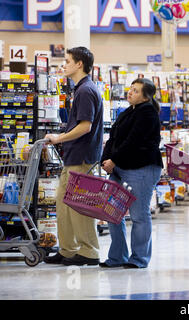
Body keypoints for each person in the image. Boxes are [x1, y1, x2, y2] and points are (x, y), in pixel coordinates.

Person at [44, 47, 103, 266]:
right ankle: (68, 249)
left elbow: (85, 127)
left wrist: (59, 138)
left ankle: (89, 251)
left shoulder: (86, 90)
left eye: (68, 61)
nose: (64, 65)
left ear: (79, 64)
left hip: (82, 157)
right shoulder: (80, 89)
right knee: (64, 205)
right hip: (74, 157)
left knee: (79, 207)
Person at [100, 78, 163, 268]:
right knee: (112, 212)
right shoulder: (129, 111)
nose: (130, 92)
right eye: (131, 89)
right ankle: (118, 256)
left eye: (136, 91)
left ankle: (139, 258)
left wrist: (114, 160)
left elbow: (134, 142)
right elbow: (114, 138)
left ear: (145, 97)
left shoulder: (148, 114)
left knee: (138, 215)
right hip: (121, 168)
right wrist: (105, 158)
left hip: (142, 169)